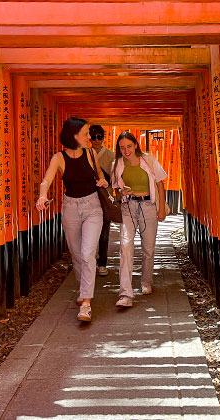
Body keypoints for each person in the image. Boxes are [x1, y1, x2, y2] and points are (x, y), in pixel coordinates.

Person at [36, 117, 108, 322]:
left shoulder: (91, 154)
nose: (89, 137)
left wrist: (102, 181)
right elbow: (47, 179)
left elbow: (100, 176)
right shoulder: (59, 158)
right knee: (76, 255)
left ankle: (86, 302)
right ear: (73, 135)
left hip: (93, 207)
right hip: (70, 208)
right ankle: (83, 287)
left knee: (87, 254)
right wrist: (43, 195)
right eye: (86, 134)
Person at [111, 132, 167, 307]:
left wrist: (162, 207)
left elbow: (160, 183)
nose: (126, 150)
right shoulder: (117, 164)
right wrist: (121, 192)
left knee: (148, 248)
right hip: (128, 207)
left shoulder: (149, 160)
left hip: (148, 206)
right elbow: (115, 190)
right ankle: (125, 293)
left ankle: (146, 281)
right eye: (122, 147)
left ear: (135, 145)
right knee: (125, 246)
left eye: (129, 146)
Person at [89, 125, 116, 277]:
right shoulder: (84, 154)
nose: (96, 140)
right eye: (93, 137)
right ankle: (90, 261)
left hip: (104, 198)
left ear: (104, 138)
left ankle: (102, 263)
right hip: (88, 197)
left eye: (99, 137)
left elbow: (115, 179)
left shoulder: (111, 156)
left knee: (104, 232)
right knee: (88, 232)